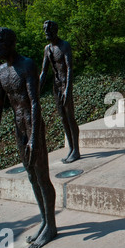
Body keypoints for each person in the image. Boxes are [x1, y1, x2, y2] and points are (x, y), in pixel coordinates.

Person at [0, 27, 57, 248]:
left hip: (33, 126)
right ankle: (44, 220)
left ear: (10, 42)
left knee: (42, 176)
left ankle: (51, 226)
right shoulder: (0, 72)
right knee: (31, 176)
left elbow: (35, 102)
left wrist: (35, 137)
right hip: (19, 129)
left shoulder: (27, 65)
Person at [40, 20, 80, 163]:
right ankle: (71, 147)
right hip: (56, 86)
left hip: (65, 84)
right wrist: (36, 91)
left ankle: (76, 149)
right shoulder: (47, 49)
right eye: (44, 29)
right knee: (63, 118)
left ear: (55, 31)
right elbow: (44, 72)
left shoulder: (64, 46)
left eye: (48, 30)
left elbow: (69, 68)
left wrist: (68, 89)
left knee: (70, 117)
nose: (46, 32)